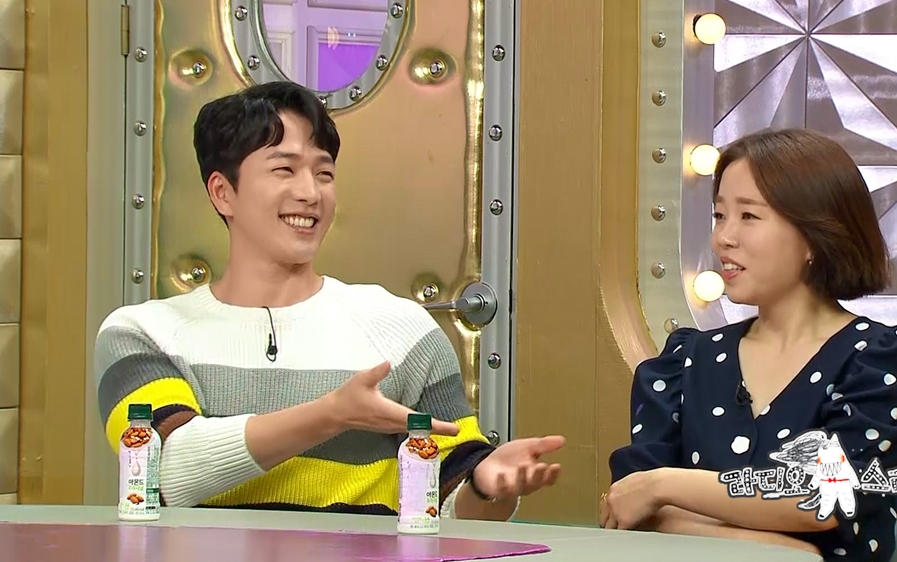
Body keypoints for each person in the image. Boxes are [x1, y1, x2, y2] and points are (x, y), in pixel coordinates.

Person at [94, 80, 564, 520]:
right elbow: (163, 472)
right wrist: (332, 415)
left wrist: (487, 486)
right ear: (223, 193)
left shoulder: (404, 330)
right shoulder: (142, 333)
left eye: (324, 173)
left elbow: (448, 501)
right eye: (284, 169)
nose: (310, 193)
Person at [599, 128, 897, 561]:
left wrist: (664, 485)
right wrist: (777, 547)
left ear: (814, 236)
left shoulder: (880, 361)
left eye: (748, 216)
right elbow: (630, 507)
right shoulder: (686, 362)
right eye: (719, 215)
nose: (724, 237)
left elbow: (827, 495)